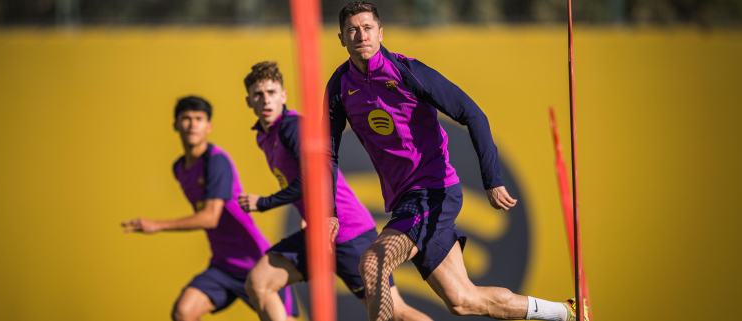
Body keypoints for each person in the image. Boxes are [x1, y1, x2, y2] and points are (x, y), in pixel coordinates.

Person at [325, 2, 584, 321]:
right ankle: (568, 313)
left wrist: (493, 179)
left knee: (373, 263)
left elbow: (473, 114)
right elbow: (328, 151)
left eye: (367, 28)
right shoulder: (339, 86)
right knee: (463, 301)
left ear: (380, 33)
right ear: (341, 38)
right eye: (352, 29)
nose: (360, 35)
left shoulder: (407, 72)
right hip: (406, 200)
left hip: (432, 192)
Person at [238, 61, 431, 321]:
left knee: (396, 312)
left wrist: (263, 203)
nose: (265, 100)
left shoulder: (294, 127)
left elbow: (310, 178)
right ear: (248, 101)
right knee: (259, 283)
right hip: (319, 232)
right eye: (258, 95)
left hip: (348, 231)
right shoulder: (264, 135)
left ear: (283, 96)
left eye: (271, 92)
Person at [121, 96, 299, 321]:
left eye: (199, 118)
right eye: (186, 118)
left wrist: (156, 225)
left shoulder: (217, 161)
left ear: (209, 126)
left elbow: (209, 218)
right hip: (223, 265)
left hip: (256, 263)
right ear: (175, 125)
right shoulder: (179, 168)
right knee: (183, 312)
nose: (192, 124)